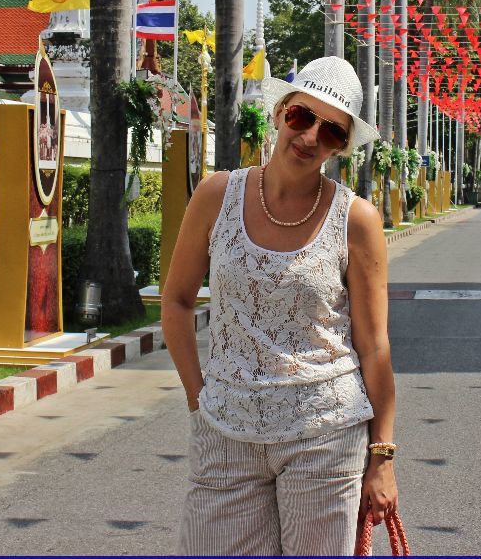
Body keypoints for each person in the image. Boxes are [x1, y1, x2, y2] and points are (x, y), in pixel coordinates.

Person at [161, 56, 398, 556]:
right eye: (301, 117)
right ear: (280, 112)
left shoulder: (356, 220)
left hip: (325, 432)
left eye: (332, 132)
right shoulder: (216, 195)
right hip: (225, 427)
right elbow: (178, 300)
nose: (311, 137)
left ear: (343, 148)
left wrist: (383, 457)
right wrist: (196, 398)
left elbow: (374, 346)